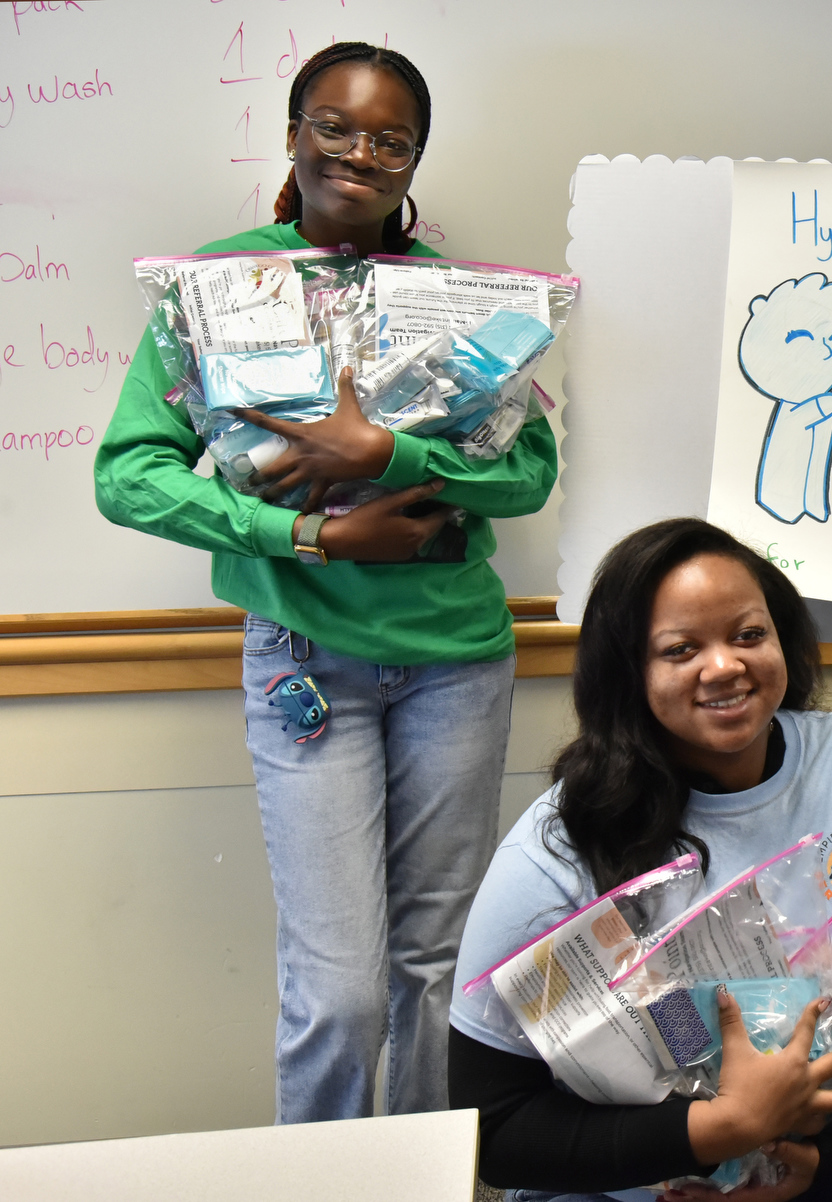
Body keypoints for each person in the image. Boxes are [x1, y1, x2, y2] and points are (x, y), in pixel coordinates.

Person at [94, 42, 558, 1123]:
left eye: (390, 138)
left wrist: (387, 458)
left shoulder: (461, 299)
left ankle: (426, 1184)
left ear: (415, 159)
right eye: (336, 126)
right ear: (295, 133)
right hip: (307, 660)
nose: (360, 153)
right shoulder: (215, 288)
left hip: (459, 664)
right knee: (341, 992)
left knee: (433, 968)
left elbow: (529, 471)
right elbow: (131, 476)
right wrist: (305, 534)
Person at [448, 518, 832, 1202]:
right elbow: (494, 1128)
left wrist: (826, 1158)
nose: (725, 665)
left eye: (748, 635)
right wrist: (722, 1130)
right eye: (680, 649)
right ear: (628, 673)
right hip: (643, 1173)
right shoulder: (555, 848)